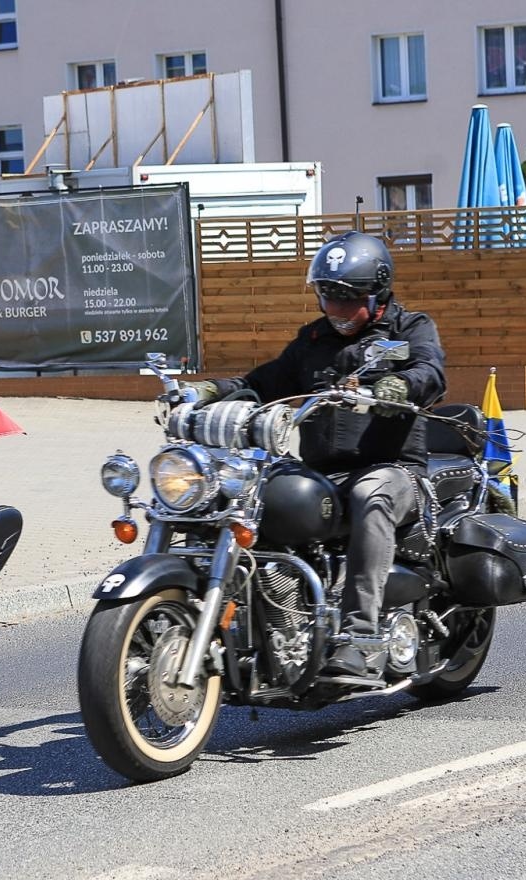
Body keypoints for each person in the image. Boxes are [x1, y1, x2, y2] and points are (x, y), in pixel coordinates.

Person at [190, 230, 446, 679]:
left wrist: (400, 385)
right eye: (329, 298)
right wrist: (216, 390)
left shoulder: (411, 327)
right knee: (257, 494)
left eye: (348, 300)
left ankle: (361, 638)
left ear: (378, 290)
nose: (338, 311)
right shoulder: (312, 340)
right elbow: (268, 381)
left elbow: (430, 370)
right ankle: (273, 631)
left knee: (371, 494)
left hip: (394, 471)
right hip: (324, 475)